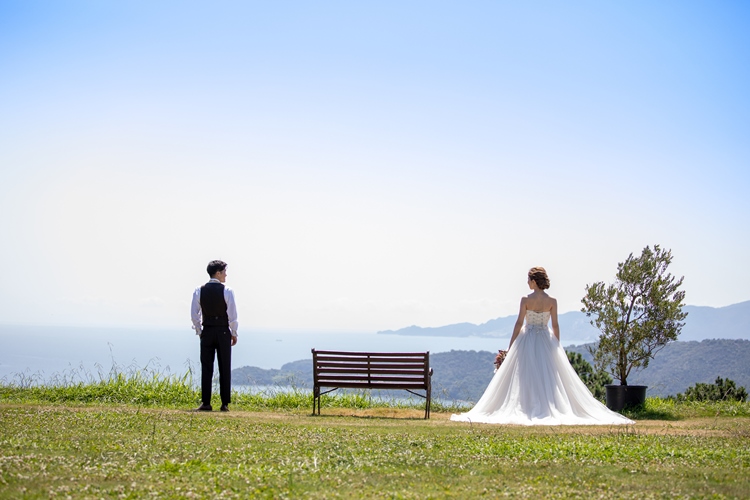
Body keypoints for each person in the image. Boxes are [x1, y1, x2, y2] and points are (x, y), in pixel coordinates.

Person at [450, 267, 633, 426]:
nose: (527, 282)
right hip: (545, 338)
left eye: (528, 279)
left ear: (534, 281)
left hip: (527, 338)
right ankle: (545, 406)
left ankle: (527, 406)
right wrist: (556, 345)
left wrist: (510, 345)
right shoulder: (552, 301)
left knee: (525, 375)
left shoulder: (525, 299)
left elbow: (518, 323)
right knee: (548, 377)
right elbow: (555, 326)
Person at [191, 260, 239, 412]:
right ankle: (224, 403)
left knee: (207, 367)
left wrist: (199, 330)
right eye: (224, 271)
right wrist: (234, 332)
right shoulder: (227, 290)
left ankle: (206, 402)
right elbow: (232, 315)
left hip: (208, 330)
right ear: (218, 273)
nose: (226, 274)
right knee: (224, 365)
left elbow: (194, 313)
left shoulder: (199, 290)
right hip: (223, 331)